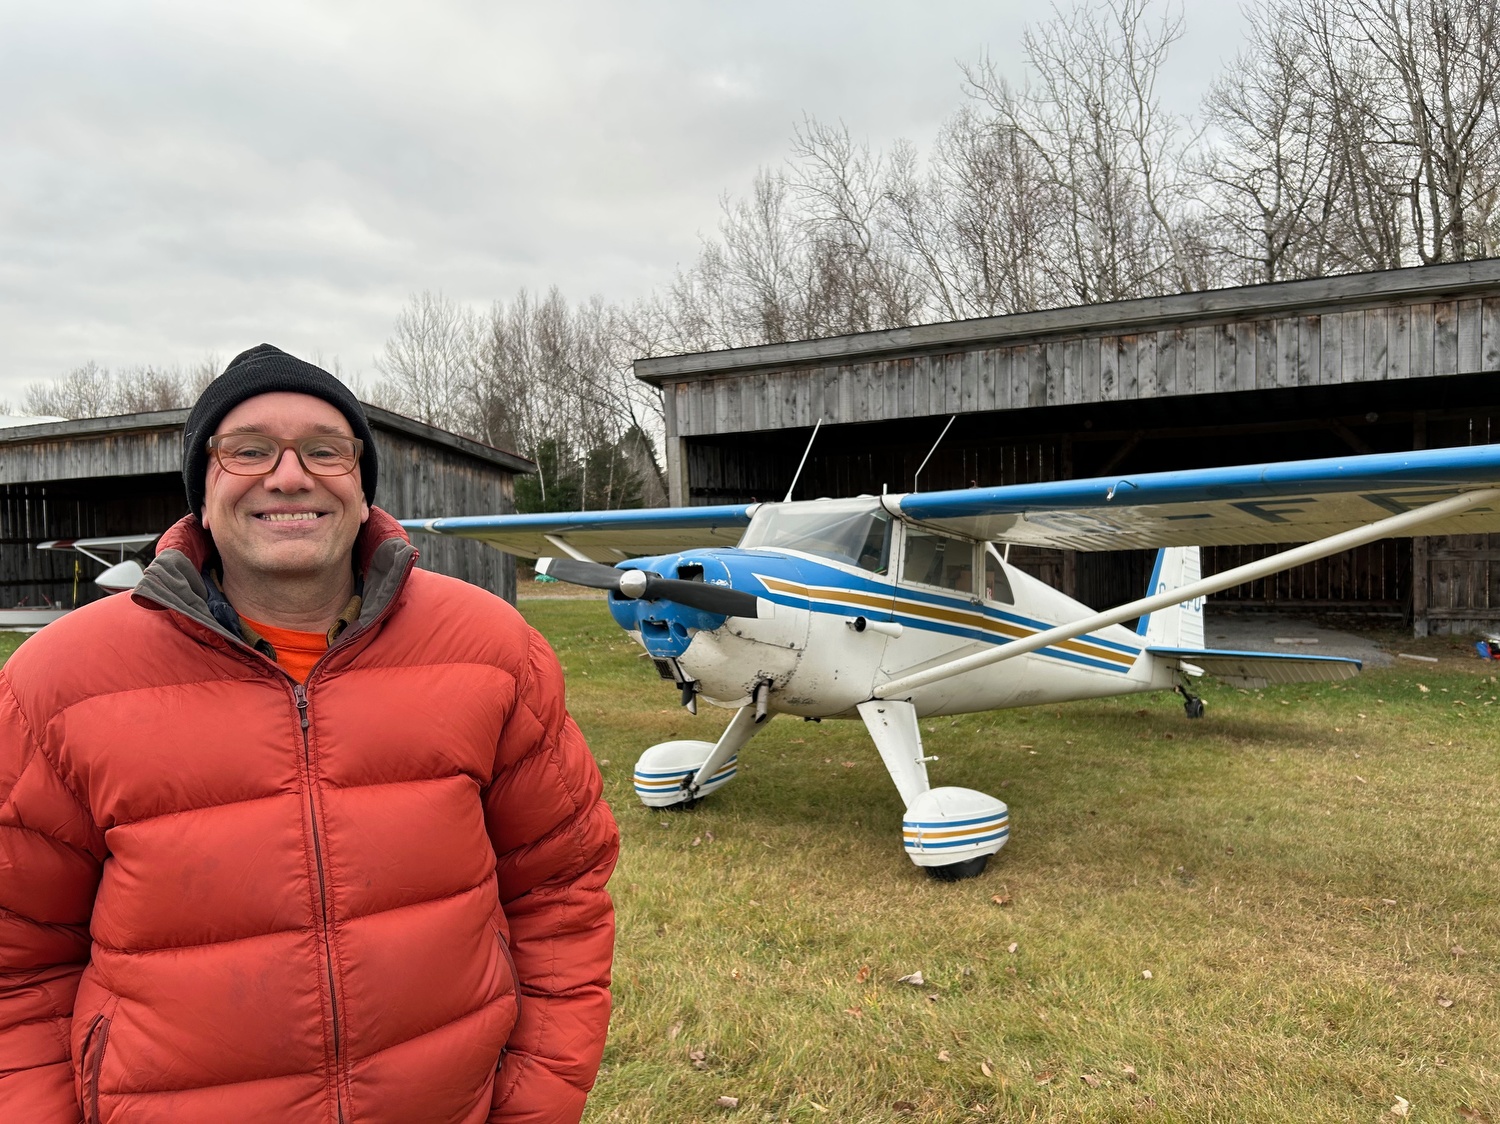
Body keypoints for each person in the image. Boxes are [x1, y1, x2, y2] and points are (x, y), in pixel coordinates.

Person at [0, 344, 618, 1123]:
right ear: (201, 487)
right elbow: (16, 961)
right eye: (248, 449)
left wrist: (534, 1103)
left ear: (362, 486)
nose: (289, 476)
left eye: (325, 450)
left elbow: (560, 893)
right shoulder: (56, 682)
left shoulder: (492, 649)